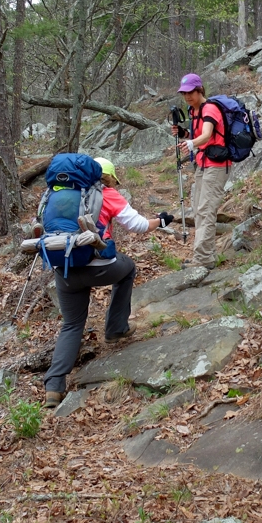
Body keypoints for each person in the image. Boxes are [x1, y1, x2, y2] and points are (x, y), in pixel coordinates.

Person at [43, 157, 174, 408]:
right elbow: (137, 225)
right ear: (109, 176)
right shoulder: (106, 193)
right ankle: (115, 328)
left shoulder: (57, 194)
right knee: (128, 268)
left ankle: (54, 385)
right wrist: (161, 221)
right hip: (100, 266)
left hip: (65, 269)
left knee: (71, 324)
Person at [170, 73, 230, 270]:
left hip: (216, 165)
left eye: (190, 92)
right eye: (184, 93)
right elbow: (197, 134)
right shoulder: (193, 110)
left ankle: (202, 259)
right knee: (198, 209)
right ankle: (208, 254)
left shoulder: (210, 108)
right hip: (202, 163)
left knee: (206, 209)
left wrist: (190, 142)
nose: (187, 96)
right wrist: (184, 134)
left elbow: (206, 135)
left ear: (199, 90)